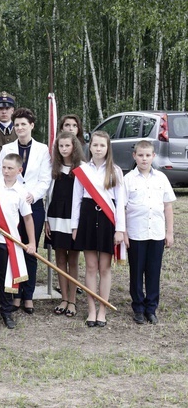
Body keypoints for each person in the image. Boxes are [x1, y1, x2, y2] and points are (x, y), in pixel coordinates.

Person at [0, 108, 52, 314]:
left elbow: (45, 179)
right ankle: (14, 294)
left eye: (23, 124)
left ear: (32, 126)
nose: (19, 128)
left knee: (30, 249)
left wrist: (33, 195)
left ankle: (28, 296)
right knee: (12, 249)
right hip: (11, 204)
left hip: (33, 205)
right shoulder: (6, 148)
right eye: (16, 124)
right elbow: (0, 174)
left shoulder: (42, 149)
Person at [71, 131, 126, 327]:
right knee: (91, 267)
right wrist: (75, 226)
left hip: (107, 221)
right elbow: (76, 200)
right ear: (90, 147)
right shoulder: (82, 170)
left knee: (105, 267)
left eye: (102, 145)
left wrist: (120, 229)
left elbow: (120, 203)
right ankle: (91, 309)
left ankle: (103, 309)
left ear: (107, 148)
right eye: (95, 145)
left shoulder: (116, 171)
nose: (98, 149)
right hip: (87, 219)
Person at [0, 154, 37, 329]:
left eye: (10, 168)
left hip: (9, 241)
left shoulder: (22, 192)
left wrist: (32, 243)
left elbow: (27, 219)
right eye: (3, 167)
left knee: (7, 277)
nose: (6, 171)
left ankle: (7, 311)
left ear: (19, 170)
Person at [124, 140, 175, 325]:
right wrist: (124, 232)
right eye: (140, 155)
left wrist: (169, 232)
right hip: (136, 234)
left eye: (148, 155)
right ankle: (138, 307)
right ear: (134, 156)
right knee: (136, 271)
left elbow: (167, 206)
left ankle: (151, 308)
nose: (144, 159)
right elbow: (121, 208)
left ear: (153, 156)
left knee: (153, 272)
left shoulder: (161, 178)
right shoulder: (128, 179)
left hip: (156, 234)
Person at [44, 131, 85, 318]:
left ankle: (73, 301)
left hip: (73, 219)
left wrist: (79, 223)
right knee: (60, 259)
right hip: (55, 217)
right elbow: (48, 196)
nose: (64, 149)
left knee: (73, 260)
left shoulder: (82, 169)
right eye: (61, 146)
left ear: (74, 147)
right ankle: (64, 298)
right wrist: (46, 220)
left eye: (67, 145)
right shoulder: (53, 168)